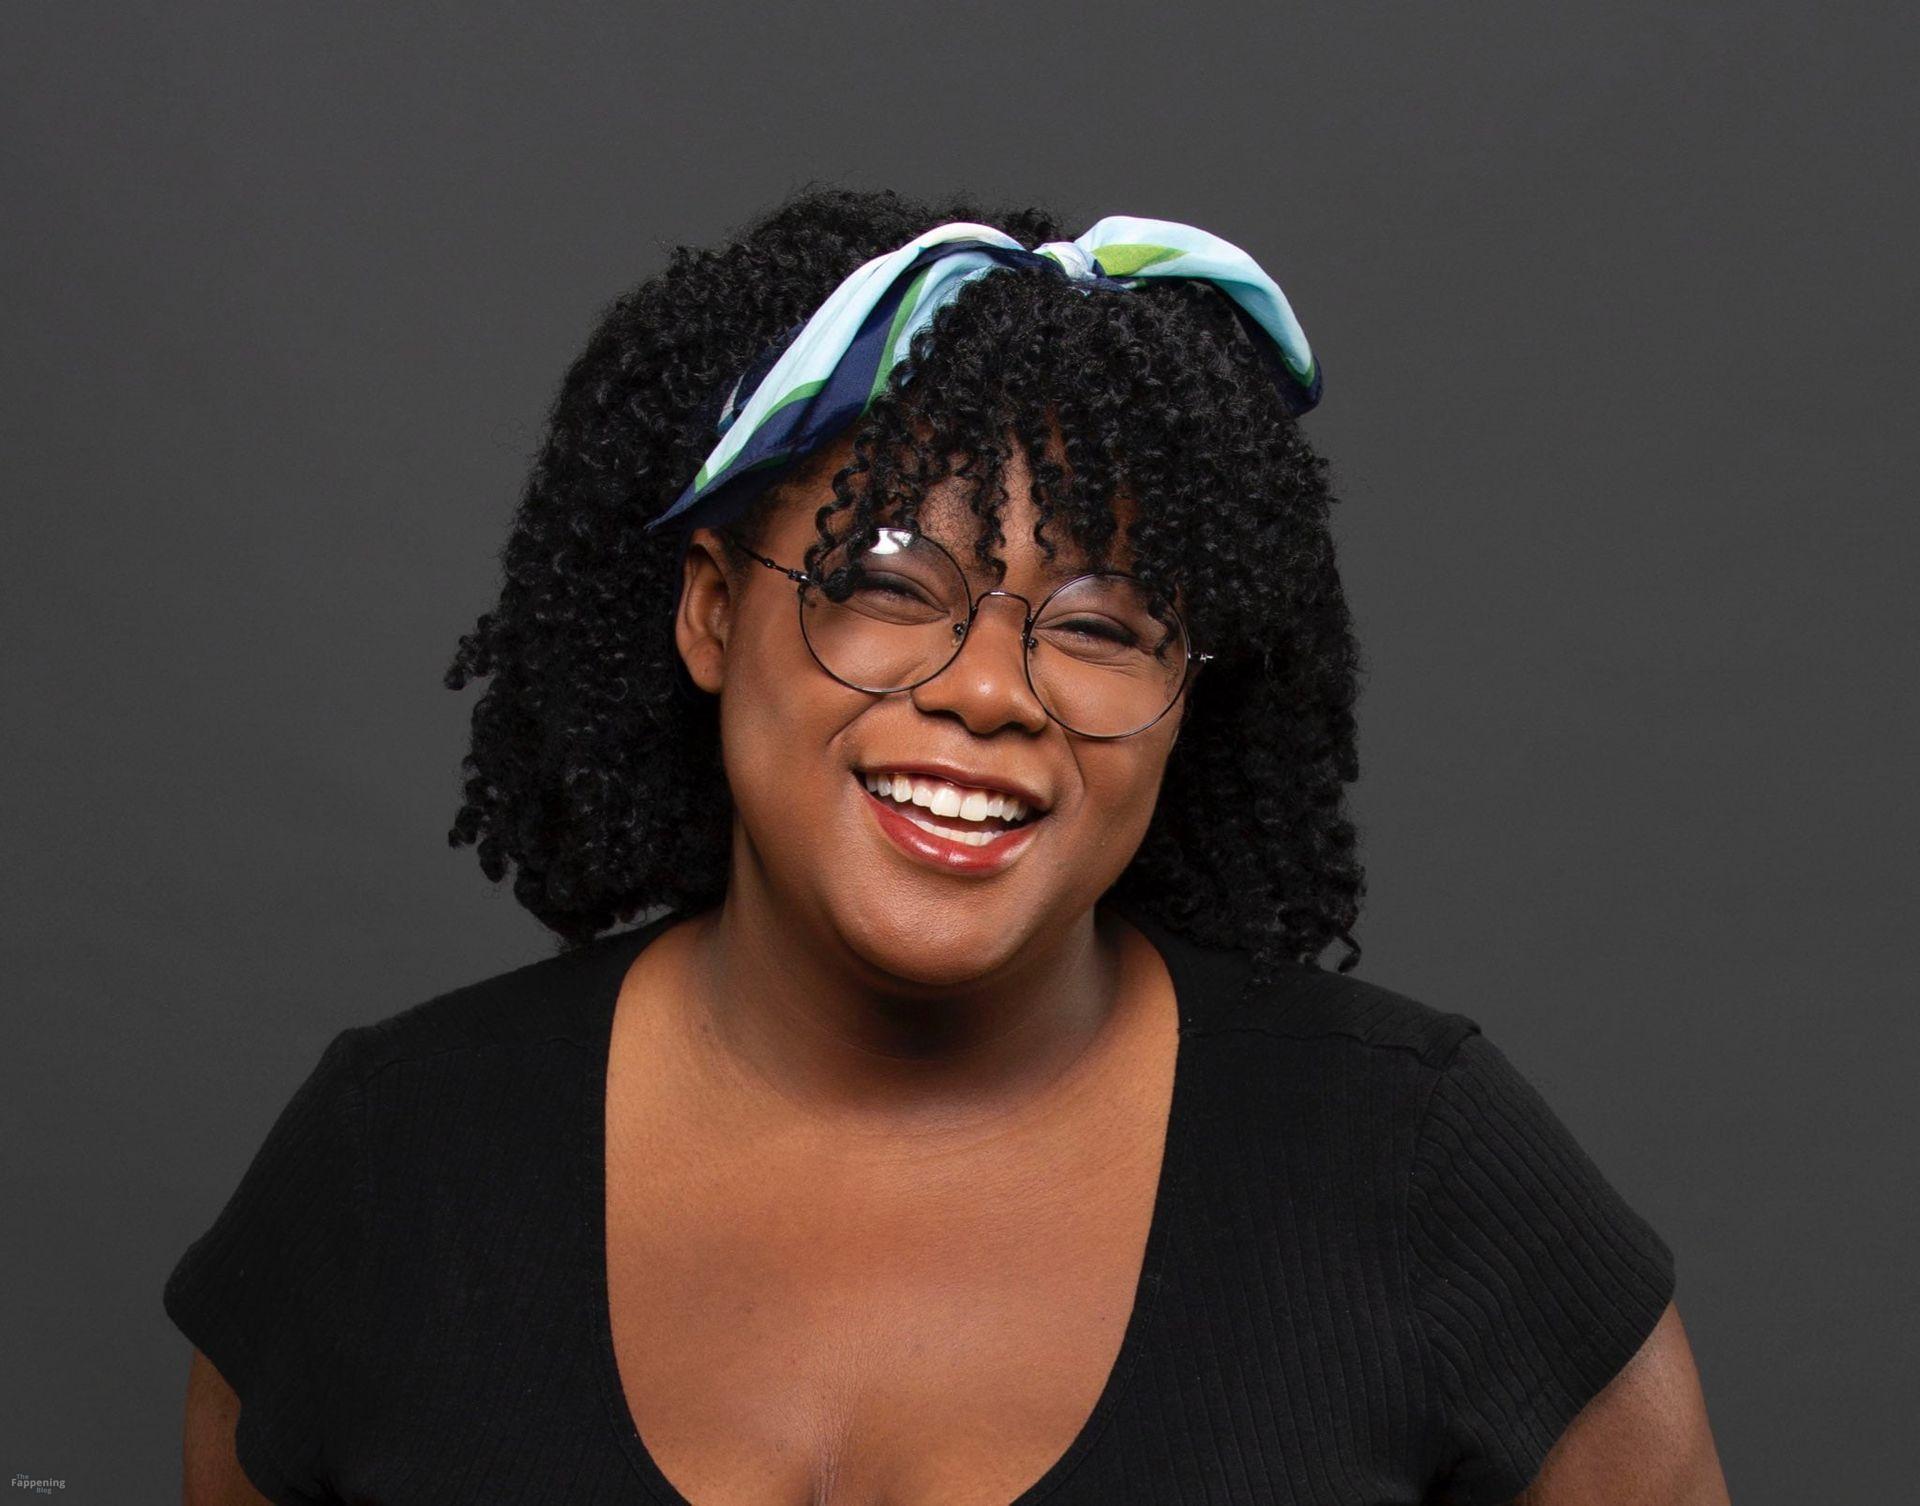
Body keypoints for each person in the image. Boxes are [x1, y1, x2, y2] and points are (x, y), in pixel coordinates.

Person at [163, 186, 1730, 1504]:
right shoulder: (391, 1166)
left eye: (1102, 623)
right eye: (888, 582)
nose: (990, 690)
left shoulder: (1416, 1168)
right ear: (710, 610)